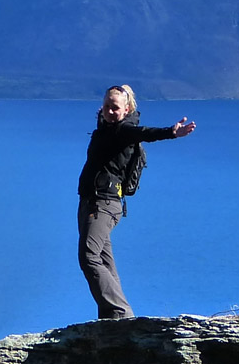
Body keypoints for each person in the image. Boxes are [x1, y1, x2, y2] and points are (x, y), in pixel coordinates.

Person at [75, 85, 197, 320]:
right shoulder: (105, 130)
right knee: (103, 261)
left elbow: (145, 133)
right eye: (107, 106)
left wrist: (172, 132)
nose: (110, 111)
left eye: (115, 108)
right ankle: (112, 317)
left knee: (88, 257)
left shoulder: (124, 130)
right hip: (89, 202)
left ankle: (121, 312)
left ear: (127, 109)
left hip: (104, 204)